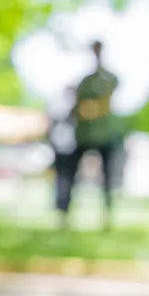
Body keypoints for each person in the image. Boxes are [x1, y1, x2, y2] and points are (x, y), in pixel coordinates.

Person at [55, 40, 124, 229]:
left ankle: (107, 217)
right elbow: (77, 107)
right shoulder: (84, 81)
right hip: (83, 135)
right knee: (70, 175)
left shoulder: (110, 78)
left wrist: (88, 109)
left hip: (105, 134)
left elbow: (102, 104)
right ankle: (64, 215)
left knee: (108, 177)